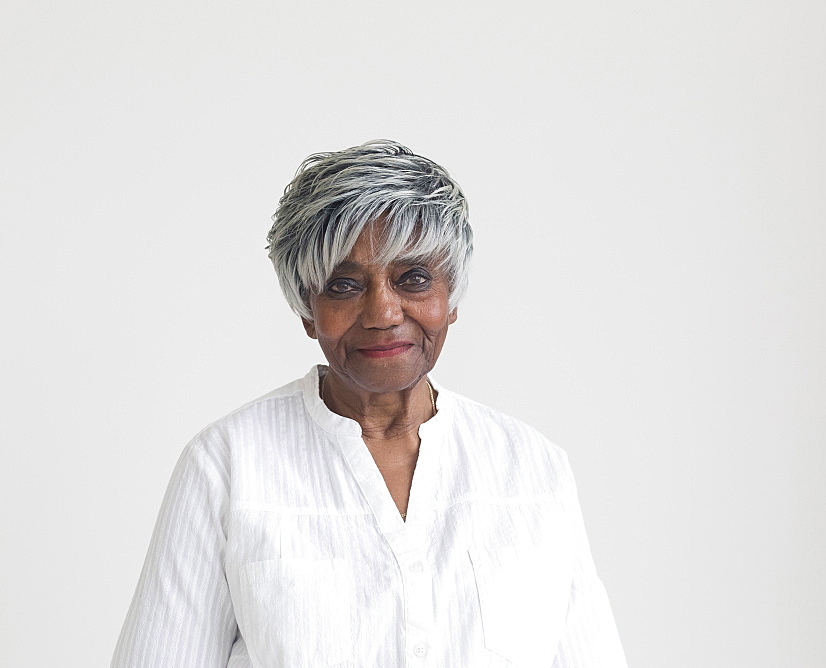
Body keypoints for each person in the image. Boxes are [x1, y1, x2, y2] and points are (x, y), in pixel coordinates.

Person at [111, 140, 627, 667]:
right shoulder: (227, 464)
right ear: (307, 311)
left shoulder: (533, 468)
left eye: (414, 279)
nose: (382, 311)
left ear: (450, 299)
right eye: (344, 285)